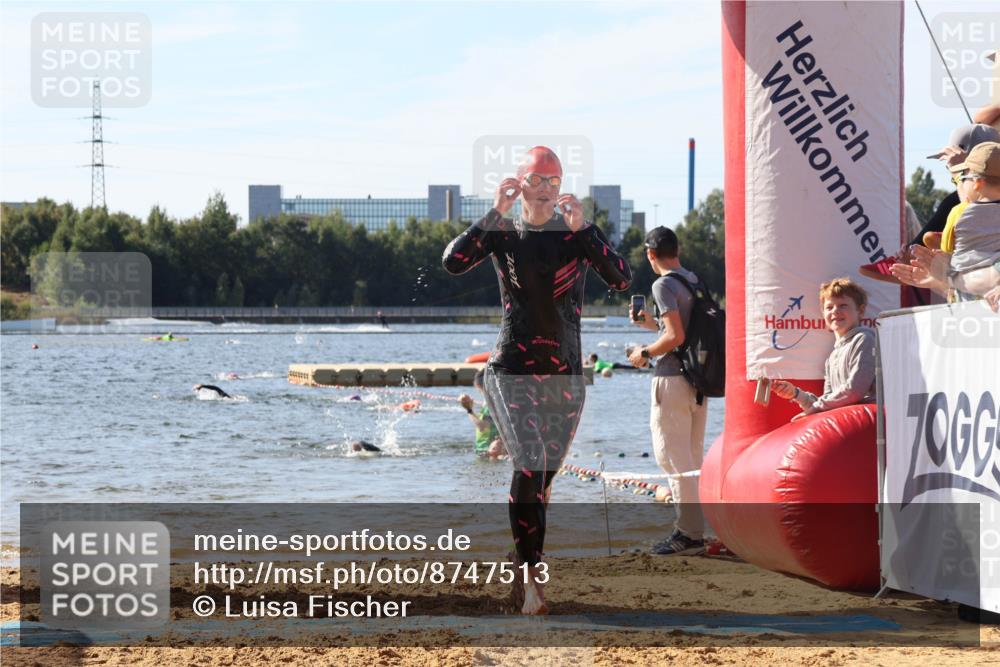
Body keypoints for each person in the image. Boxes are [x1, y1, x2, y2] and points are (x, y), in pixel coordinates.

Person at [442, 146, 631, 614]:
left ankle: (523, 565)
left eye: (554, 180)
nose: (546, 188)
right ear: (519, 183)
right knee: (529, 465)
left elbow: (621, 279)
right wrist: (494, 212)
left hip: (565, 373)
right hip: (511, 369)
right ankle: (532, 586)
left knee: (542, 480)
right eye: (537, 179)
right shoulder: (504, 234)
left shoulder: (576, 236)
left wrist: (586, 230)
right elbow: (453, 261)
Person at [627, 226, 707, 555]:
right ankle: (696, 529)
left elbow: (674, 337)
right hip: (698, 380)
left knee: (671, 458)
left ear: (650, 255)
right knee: (691, 457)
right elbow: (682, 329)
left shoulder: (662, 284)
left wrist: (643, 352)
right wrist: (651, 323)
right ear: (678, 250)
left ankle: (687, 534)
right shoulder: (693, 280)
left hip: (672, 379)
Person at [771, 278, 876, 418]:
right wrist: (796, 394)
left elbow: (855, 391)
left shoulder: (864, 339)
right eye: (829, 307)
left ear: (860, 311)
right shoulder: (831, 358)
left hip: (867, 421)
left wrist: (815, 408)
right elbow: (828, 403)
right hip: (845, 420)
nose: (835, 311)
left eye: (843, 305)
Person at [458, 369, 505, 459]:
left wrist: (469, 409)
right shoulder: (497, 401)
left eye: (479, 391)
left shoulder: (490, 404)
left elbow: (482, 426)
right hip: (493, 449)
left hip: (488, 450)